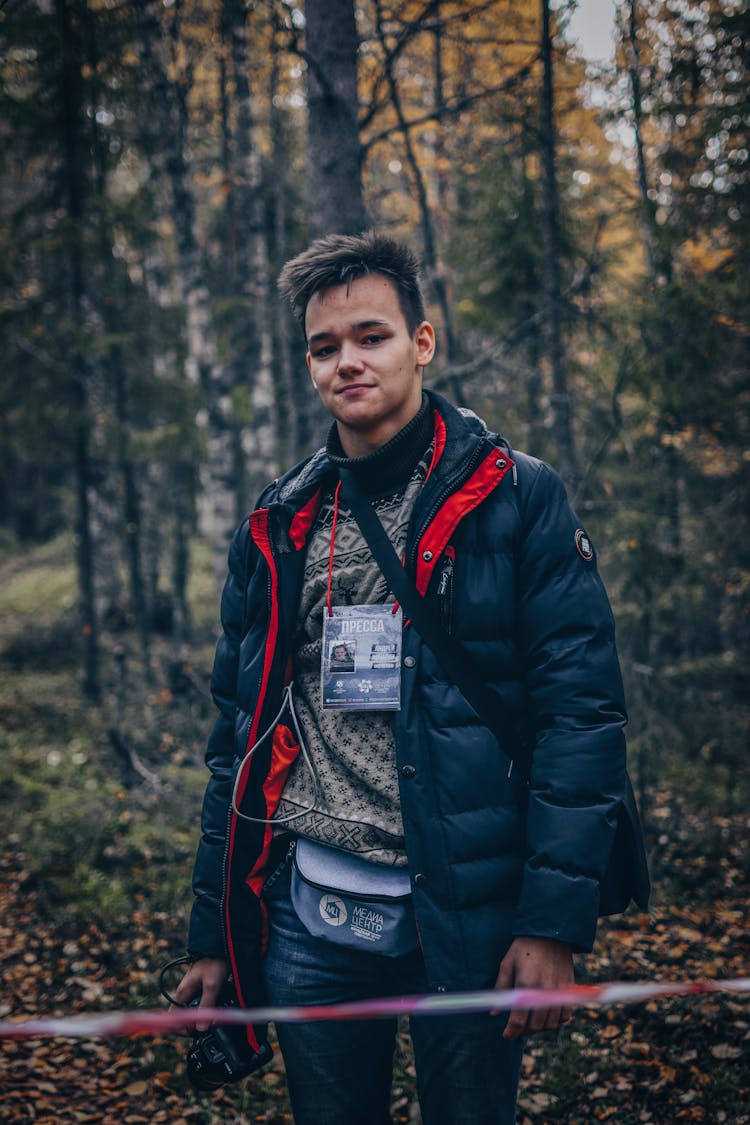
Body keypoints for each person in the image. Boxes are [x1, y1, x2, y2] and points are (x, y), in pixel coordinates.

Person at [174, 232, 649, 1124]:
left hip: (463, 919)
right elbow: (236, 739)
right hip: (310, 920)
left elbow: (580, 715)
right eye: (325, 346)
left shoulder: (517, 496)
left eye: (371, 335)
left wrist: (550, 925)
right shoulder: (279, 522)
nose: (348, 361)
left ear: (422, 342)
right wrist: (215, 937)